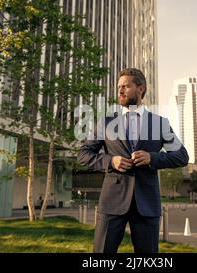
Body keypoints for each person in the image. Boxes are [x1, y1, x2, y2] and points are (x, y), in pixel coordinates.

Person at [78, 68, 189, 253]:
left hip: (147, 204)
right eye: (119, 87)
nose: (120, 90)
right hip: (112, 202)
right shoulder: (105, 123)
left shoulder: (160, 123)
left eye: (126, 86)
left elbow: (182, 156)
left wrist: (152, 157)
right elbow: (83, 154)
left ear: (140, 88)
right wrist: (111, 161)